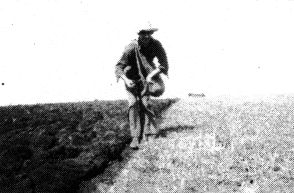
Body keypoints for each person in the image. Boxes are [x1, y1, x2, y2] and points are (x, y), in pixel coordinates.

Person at [115, 22, 169, 149]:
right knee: (133, 105)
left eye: (149, 33)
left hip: (147, 78)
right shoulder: (131, 47)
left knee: (146, 103)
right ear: (139, 34)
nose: (146, 36)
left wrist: (151, 75)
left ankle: (149, 133)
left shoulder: (156, 44)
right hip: (131, 78)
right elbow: (119, 67)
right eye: (143, 33)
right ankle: (135, 137)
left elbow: (163, 64)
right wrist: (126, 80)